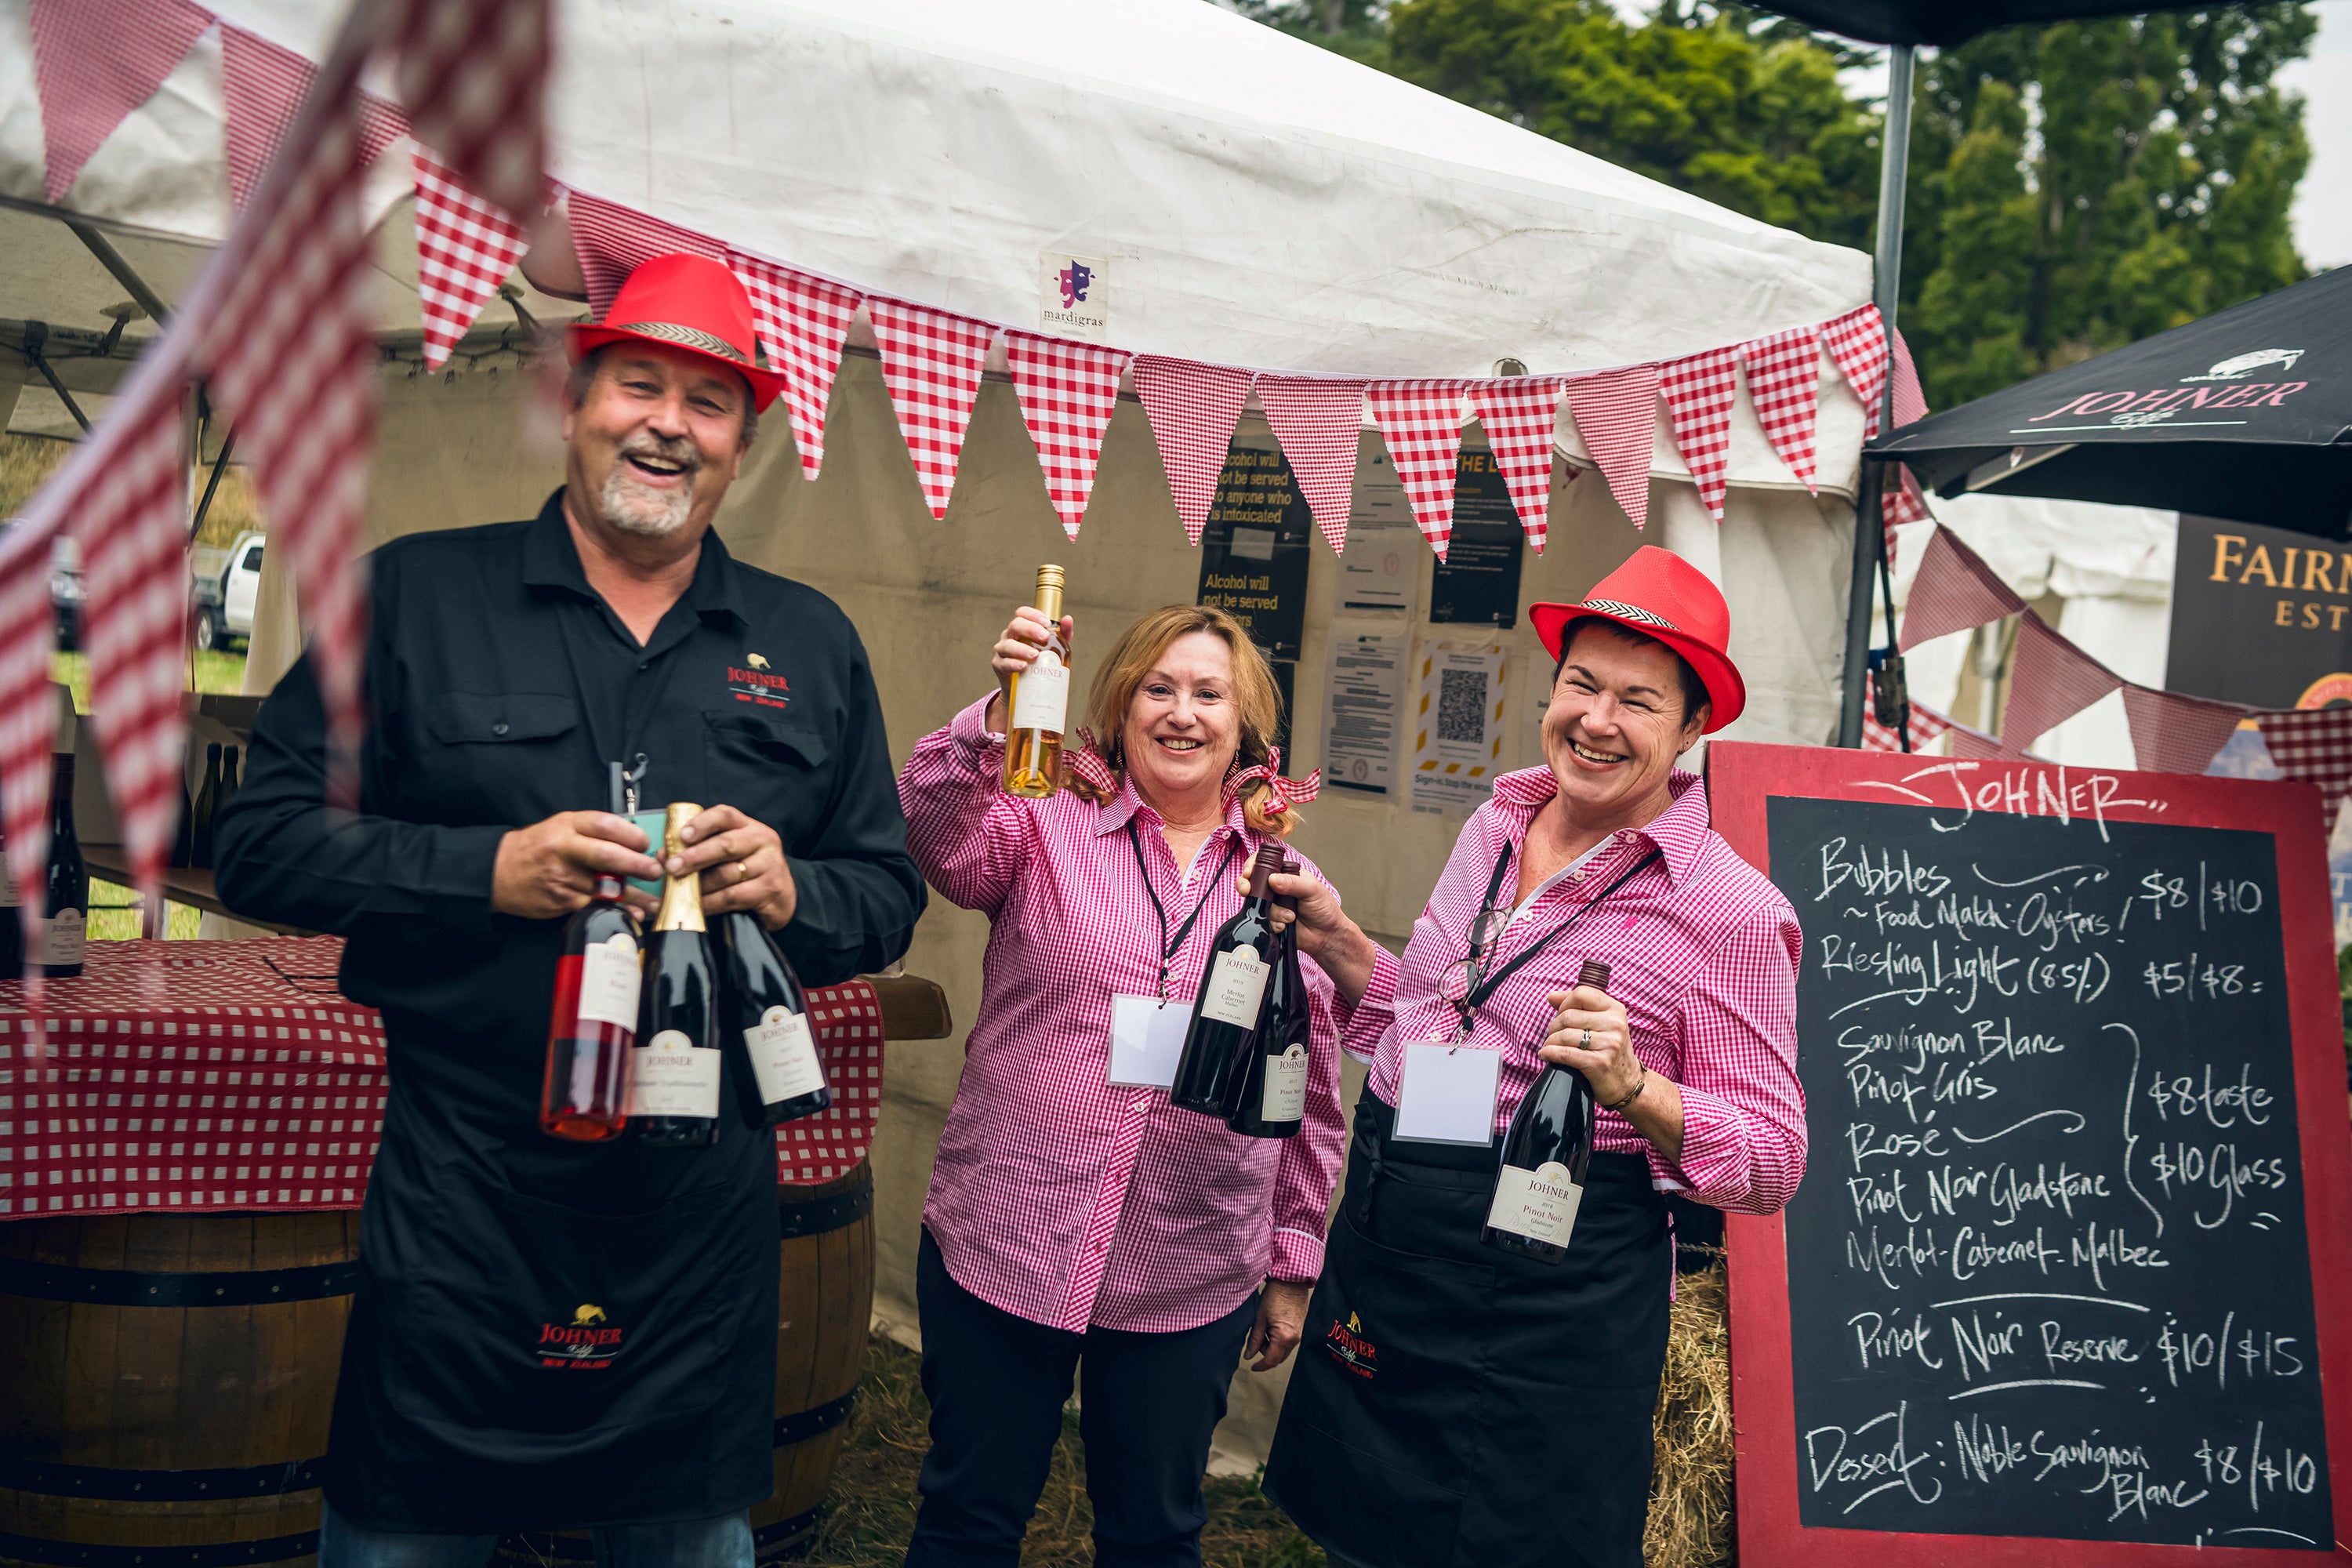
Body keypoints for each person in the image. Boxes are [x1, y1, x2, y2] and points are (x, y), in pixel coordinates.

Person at [214, 252, 926, 1566]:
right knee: (405, 1537)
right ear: (575, 401)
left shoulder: (809, 642)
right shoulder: (413, 598)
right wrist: (487, 869)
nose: (668, 423)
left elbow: (885, 895)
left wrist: (794, 888)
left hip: (700, 1206)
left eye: (708, 403)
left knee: (682, 1537)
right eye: (638, 385)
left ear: (743, 442)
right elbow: (259, 845)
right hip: (464, 1191)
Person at [1257, 546, 1806, 1568]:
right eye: (1582, 685)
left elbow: (1774, 1158)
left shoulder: (1733, 912)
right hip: (1393, 1246)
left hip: (1542, 1315)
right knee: (1359, 1542)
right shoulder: (1497, 824)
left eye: (1638, 701)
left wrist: (1636, 1087)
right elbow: (1423, 1024)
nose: (1597, 721)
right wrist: (1337, 942)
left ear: (1694, 729)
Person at [894, 602, 1384, 1568]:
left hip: (1189, 1264)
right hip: (1009, 1235)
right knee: (968, 1515)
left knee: (1153, 1532)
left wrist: (1292, 1259)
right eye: (1159, 687)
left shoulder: (1288, 881)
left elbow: (1313, 1087)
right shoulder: (1041, 825)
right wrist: (997, 716)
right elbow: (936, 834)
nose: (1182, 711)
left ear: (1246, 727)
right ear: (1118, 706)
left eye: (1210, 693)